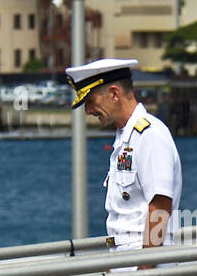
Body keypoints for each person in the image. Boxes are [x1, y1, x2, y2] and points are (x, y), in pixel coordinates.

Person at [66, 58, 182, 257]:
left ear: (114, 94)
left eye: (91, 101)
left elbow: (160, 206)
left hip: (145, 261)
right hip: (126, 258)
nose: (88, 111)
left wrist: (146, 267)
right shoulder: (126, 138)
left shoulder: (150, 135)